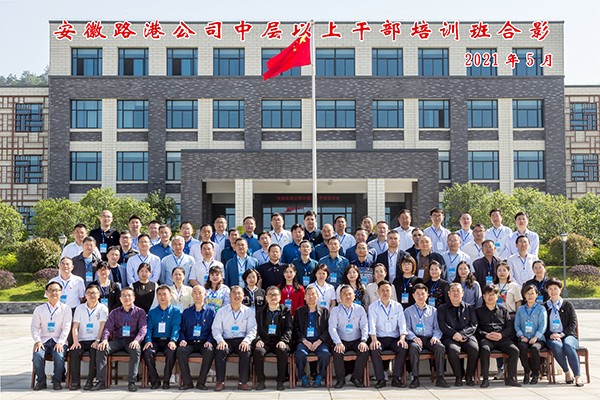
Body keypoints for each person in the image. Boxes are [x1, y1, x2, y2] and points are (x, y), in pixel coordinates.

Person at [97, 287, 147, 392]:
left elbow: (143, 329)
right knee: (102, 348)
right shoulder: (114, 312)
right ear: (120, 299)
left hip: (132, 340)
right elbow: (108, 328)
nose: (126, 298)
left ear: (134, 298)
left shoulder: (140, 312)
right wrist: (104, 339)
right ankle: (101, 381)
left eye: (129, 295)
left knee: (135, 350)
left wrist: (137, 340)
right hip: (118, 341)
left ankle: (132, 382)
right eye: (124, 296)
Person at [212, 286, 257, 391]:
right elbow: (216, 329)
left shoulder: (249, 311)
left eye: (239, 293)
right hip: (226, 340)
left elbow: (252, 329)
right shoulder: (222, 311)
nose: (236, 296)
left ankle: (243, 382)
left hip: (242, 339)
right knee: (220, 350)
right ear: (230, 296)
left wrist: (246, 341)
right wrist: (220, 341)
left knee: (246, 350)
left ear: (243, 296)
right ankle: (220, 382)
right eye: (234, 293)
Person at [404, 283, 449, 388]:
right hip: (415, 339)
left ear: (427, 295)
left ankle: (440, 377)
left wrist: (435, 337)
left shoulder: (434, 311)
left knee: (440, 347)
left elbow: (437, 328)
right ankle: (415, 378)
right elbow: (406, 328)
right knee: (413, 348)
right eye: (417, 294)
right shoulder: (408, 311)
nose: (420, 296)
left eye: (423, 294)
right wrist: (414, 338)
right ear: (413, 296)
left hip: (430, 338)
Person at [476, 285, 521, 388]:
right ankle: (485, 379)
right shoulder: (478, 311)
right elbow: (476, 328)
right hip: (486, 338)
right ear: (484, 296)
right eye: (488, 294)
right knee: (484, 349)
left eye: (493, 294)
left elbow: (509, 327)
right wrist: (486, 334)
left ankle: (510, 378)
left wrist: (501, 335)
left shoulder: (504, 311)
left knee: (514, 350)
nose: (490, 297)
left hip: (502, 339)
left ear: (497, 296)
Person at [31, 282, 72, 391]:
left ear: (61, 293)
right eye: (51, 290)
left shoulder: (66, 309)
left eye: (57, 290)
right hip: (43, 341)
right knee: (37, 355)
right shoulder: (39, 309)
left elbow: (66, 327)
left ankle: (57, 380)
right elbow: (34, 327)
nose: (54, 293)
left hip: (59, 341)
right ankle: (41, 381)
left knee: (59, 355)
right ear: (46, 292)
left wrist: (60, 342)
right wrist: (37, 341)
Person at [368, 280, 409, 388]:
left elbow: (402, 324)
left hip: (394, 338)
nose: (385, 293)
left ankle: (396, 378)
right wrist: (374, 340)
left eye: (387, 290)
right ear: (378, 292)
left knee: (403, 348)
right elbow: (372, 324)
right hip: (379, 338)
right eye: (382, 290)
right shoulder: (373, 307)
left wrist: (402, 338)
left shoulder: (398, 306)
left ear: (391, 292)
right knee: (374, 348)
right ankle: (380, 379)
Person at [544, 278, 584, 386]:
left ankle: (577, 376)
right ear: (547, 290)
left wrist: (561, 334)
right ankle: (567, 372)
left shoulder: (567, 304)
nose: (553, 291)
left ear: (560, 290)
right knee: (557, 346)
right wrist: (550, 335)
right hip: (552, 336)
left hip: (568, 335)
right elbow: (542, 326)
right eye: (550, 289)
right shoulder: (544, 306)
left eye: (555, 288)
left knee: (568, 345)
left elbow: (573, 323)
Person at [437, 282, 479, 386]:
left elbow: (473, 325)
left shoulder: (469, 308)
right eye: (453, 291)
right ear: (448, 294)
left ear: (462, 293)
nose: (455, 293)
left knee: (474, 349)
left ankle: (469, 376)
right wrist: (454, 334)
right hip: (450, 337)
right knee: (453, 350)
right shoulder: (442, 308)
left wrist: (462, 334)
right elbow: (442, 325)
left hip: (467, 336)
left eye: (458, 291)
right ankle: (458, 376)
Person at [69, 284, 109, 390]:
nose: (92, 295)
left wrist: (97, 340)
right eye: (89, 293)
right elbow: (75, 326)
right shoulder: (79, 308)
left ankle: (90, 381)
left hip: (95, 339)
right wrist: (75, 341)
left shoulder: (103, 308)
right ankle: (75, 382)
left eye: (94, 293)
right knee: (74, 352)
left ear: (99, 295)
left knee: (95, 352)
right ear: (85, 295)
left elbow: (102, 326)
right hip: (81, 340)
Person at [329, 285, 369, 388]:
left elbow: (364, 326)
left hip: (356, 340)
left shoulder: (360, 309)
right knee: (337, 351)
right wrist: (338, 342)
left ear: (354, 296)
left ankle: (356, 377)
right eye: (344, 294)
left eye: (350, 294)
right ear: (340, 297)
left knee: (364, 351)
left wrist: (363, 340)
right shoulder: (335, 310)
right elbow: (332, 328)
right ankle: (340, 380)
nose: (347, 296)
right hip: (341, 340)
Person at [176, 285, 216, 390]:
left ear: (205, 294)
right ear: (192, 295)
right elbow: (182, 330)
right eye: (195, 293)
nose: (197, 295)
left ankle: (201, 382)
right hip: (190, 342)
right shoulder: (186, 312)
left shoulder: (211, 311)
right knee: (180, 351)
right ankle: (187, 382)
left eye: (200, 293)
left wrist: (209, 341)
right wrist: (182, 339)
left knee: (209, 351)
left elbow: (214, 330)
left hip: (204, 342)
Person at [253, 286, 293, 391]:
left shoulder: (286, 311)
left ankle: (280, 381)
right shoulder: (260, 311)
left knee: (282, 350)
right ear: (266, 297)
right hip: (265, 341)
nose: (273, 297)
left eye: (275, 295)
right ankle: (261, 381)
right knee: (258, 351)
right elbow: (255, 328)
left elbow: (289, 328)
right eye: (270, 295)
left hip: (279, 340)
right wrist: (258, 339)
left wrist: (283, 340)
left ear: (280, 297)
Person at [142, 285, 182, 389]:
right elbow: (149, 328)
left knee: (171, 351)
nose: (162, 296)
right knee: (147, 351)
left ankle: (166, 380)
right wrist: (148, 340)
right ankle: (155, 380)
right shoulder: (152, 312)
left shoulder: (176, 311)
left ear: (170, 296)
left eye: (164, 294)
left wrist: (173, 340)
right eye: (159, 294)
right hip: (155, 340)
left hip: (169, 340)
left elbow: (176, 326)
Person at [293, 286, 331, 388]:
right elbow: (296, 329)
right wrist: (304, 340)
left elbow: (328, 329)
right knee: (300, 354)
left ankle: (320, 376)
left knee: (325, 354)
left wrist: (320, 341)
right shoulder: (299, 312)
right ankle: (302, 377)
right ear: (304, 297)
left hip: (319, 341)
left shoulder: (324, 311)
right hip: (304, 341)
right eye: (308, 294)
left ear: (318, 296)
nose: (311, 296)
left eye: (313, 294)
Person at [514, 284, 547, 385]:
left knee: (534, 348)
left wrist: (536, 337)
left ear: (537, 295)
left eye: (532, 293)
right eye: (528, 293)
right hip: (524, 338)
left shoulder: (541, 309)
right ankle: (526, 371)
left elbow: (543, 325)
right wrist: (521, 336)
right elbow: (517, 325)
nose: (530, 296)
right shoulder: (520, 309)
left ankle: (535, 373)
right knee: (522, 347)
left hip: (538, 339)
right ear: (524, 295)